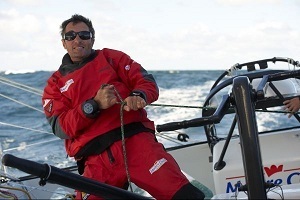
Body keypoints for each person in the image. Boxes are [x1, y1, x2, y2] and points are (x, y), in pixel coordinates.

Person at [42, 14, 205, 200]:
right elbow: (61, 127)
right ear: (63, 42)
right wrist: (93, 105)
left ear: (92, 39)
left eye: (84, 35)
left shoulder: (111, 58)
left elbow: (146, 82)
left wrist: (138, 95)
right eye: (70, 36)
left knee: (184, 195)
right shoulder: (54, 84)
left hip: (136, 143)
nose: (77, 40)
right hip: (96, 160)